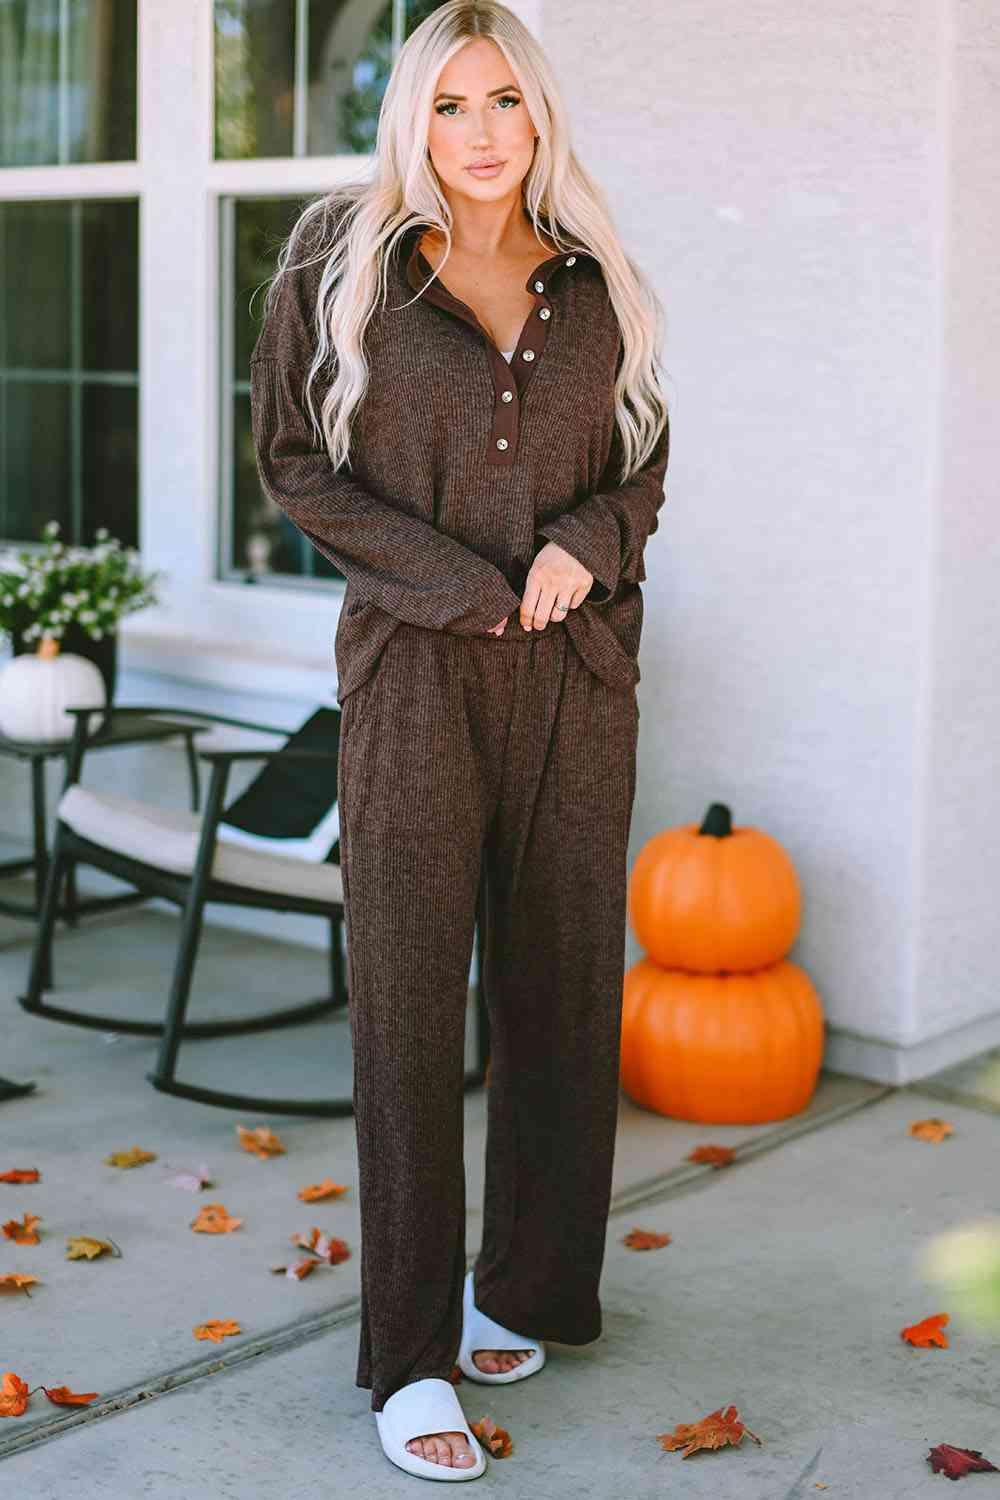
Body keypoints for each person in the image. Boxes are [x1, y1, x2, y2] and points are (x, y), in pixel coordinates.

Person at [249, 0, 670, 1481]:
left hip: (576, 677)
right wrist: (461, 588)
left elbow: (643, 464)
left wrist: (585, 541)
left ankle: (533, 1286)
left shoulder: (593, 272)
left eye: (505, 102)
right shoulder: (336, 259)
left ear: (539, 113)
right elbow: (296, 464)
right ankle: (409, 1359)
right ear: (411, 120)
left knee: (562, 990)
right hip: (418, 679)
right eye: (450, 106)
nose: (482, 134)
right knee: (413, 1012)